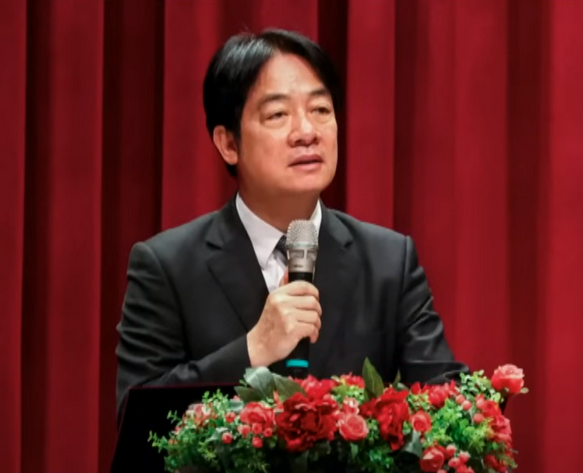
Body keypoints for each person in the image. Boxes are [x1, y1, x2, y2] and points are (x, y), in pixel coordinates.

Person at [115, 29, 467, 421]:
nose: (307, 132)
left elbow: (448, 406)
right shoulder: (167, 267)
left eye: (321, 110)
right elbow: (137, 422)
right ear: (228, 143)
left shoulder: (389, 262)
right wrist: (253, 349)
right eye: (278, 115)